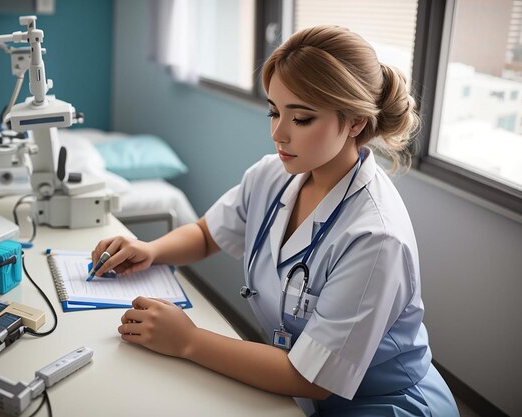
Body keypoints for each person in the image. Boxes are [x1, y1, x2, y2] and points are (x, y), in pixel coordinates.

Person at [91, 25, 460, 417]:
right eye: (274, 111)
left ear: (354, 122)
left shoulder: (375, 237)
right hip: (297, 385)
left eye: (300, 118)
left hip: (382, 404)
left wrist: (189, 341)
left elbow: (310, 378)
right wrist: (150, 249)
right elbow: (205, 234)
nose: (277, 133)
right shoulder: (273, 175)